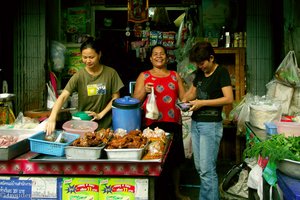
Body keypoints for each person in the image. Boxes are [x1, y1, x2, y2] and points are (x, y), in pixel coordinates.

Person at [133, 44, 190, 200]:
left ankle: (176, 192)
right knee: (153, 159)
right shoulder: (144, 76)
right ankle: (155, 193)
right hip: (152, 125)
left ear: (167, 56)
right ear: (150, 58)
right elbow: (135, 101)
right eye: (155, 54)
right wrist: (144, 90)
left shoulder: (174, 75)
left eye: (162, 54)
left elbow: (184, 99)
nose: (159, 56)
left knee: (175, 161)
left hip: (173, 123)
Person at [182, 41, 233, 200]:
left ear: (211, 58)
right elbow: (192, 92)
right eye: (198, 63)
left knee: (207, 169)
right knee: (200, 168)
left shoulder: (221, 72)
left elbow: (228, 98)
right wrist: (184, 100)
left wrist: (202, 103)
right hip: (196, 124)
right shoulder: (199, 73)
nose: (200, 66)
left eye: (202, 62)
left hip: (210, 126)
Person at [45, 37, 124, 135]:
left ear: (99, 54)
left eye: (91, 57)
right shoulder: (79, 75)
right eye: (84, 57)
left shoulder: (111, 73)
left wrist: (100, 115)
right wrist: (52, 118)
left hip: (106, 126)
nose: (88, 61)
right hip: (84, 126)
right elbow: (63, 96)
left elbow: (116, 98)